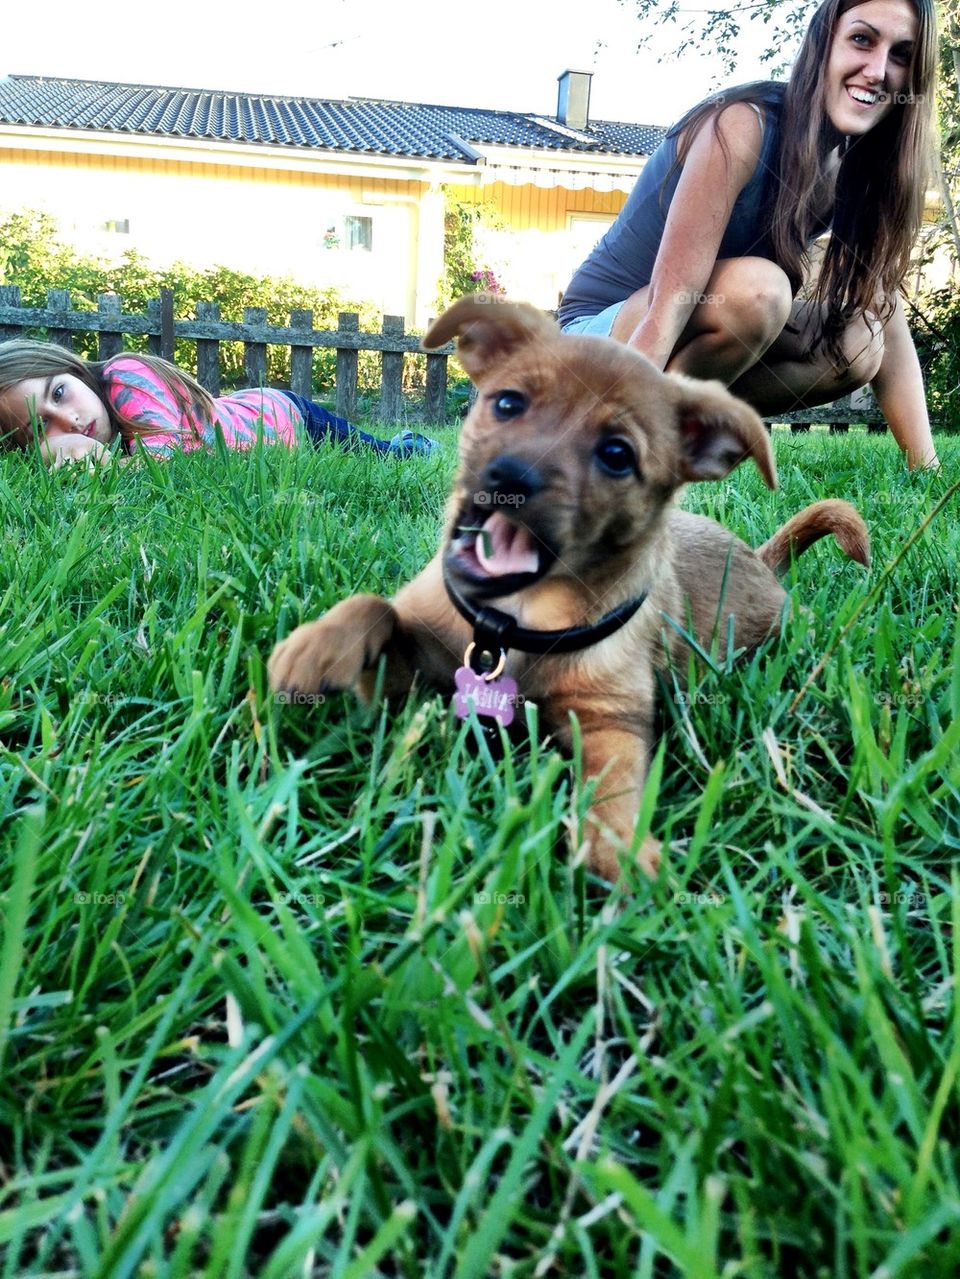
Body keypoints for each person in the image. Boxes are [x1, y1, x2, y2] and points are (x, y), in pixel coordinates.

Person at [557, 0, 940, 470]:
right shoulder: (744, 124)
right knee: (759, 293)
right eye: (862, 39)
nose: (878, 70)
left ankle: (682, 433)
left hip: (691, 338)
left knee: (860, 343)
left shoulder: (855, 165)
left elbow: (882, 300)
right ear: (824, 43)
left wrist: (928, 470)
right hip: (600, 337)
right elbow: (668, 302)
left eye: (901, 55)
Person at [0, 339, 437, 467]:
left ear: (74, 371)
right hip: (259, 421)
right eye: (42, 428)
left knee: (381, 456)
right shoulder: (85, 438)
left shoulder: (124, 375)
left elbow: (170, 461)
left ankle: (411, 443)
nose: (70, 421)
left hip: (285, 417)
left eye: (59, 393)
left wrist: (99, 465)